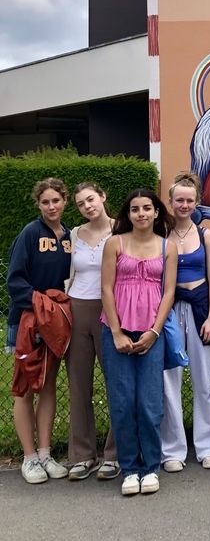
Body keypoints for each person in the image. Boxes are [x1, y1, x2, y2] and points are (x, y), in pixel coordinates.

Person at [100, 189, 178, 496]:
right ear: (127, 214)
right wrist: (117, 332)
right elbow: (106, 289)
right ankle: (130, 468)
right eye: (135, 209)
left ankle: (151, 467)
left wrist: (154, 332)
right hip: (116, 331)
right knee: (122, 403)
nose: (142, 213)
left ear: (157, 212)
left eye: (147, 208)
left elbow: (169, 291)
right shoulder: (114, 243)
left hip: (151, 333)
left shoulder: (167, 246)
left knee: (149, 403)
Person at [7, 178, 72, 484]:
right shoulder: (30, 233)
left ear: (65, 201)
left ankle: (45, 454)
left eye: (55, 200)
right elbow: (15, 280)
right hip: (30, 320)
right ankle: (29, 457)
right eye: (45, 202)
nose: (51, 206)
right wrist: (38, 304)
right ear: (38, 204)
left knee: (47, 385)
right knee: (24, 387)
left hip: (56, 321)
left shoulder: (71, 236)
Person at [161, 172, 210, 472]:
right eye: (179, 200)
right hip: (170, 312)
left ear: (197, 202)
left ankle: (207, 444)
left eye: (189, 200)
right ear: (170, 202)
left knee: (204, 381)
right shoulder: (161, 234)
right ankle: (172, 449)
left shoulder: (206, 234)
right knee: (169, 381)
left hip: (200, 310)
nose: (184, 205)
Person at [65, 182, 119, 481]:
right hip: (77, 309)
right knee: (79, 384)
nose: (87, 206)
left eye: (90, 199)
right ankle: (82, 455)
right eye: (81, 204)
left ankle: (114, 454)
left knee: (115, 382)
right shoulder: (73, 234)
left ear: (102, 196)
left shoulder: (121, 229)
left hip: (109, 310)